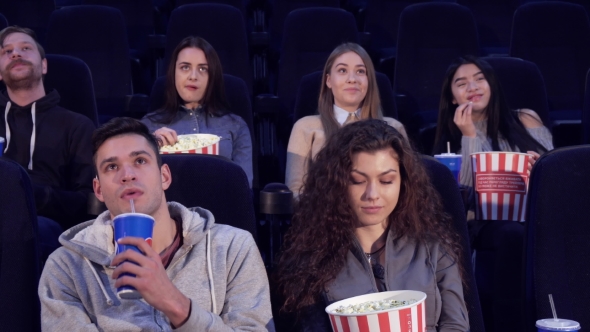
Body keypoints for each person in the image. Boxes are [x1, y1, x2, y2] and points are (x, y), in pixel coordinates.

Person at [38, 118, 274, 331]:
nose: (127, 175)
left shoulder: (233, 247)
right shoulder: (66, 267)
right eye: (112, 167)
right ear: (98, 190)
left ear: (164, 177)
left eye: (140, 160)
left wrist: (175, 303)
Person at [275, 119, 469, 331]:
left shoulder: (434, 246)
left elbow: (455, 325)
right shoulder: (313, 257)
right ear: (337, 185)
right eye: (357, 181)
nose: (372, 195)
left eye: (386, 181)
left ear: (403, 183)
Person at [0, 26, 95, 258]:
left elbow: (88, 201)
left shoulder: (76, 125)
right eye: (6, 51)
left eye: (25, 48)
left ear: (43, 66)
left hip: (46, 224)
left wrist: (37, 196)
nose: (15, 54)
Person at [286, 43, 408, 196]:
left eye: (360, 71)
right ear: (329, 81)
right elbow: (296, 191)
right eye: (342, 70)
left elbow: (407, 187)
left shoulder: (394, 128)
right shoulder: (305, 127)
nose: (352, 79)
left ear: (369, 81)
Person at [141, 36, 253, 187]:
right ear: (174, 73)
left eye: (203, 69)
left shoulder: (236, 125)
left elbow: (244, 188)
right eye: (185, 67)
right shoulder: (148, 126)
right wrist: (149, 144)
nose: (193, 76)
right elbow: (138, 184)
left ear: (212, 76)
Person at [433, 55, 553, 187]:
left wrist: (541, 169)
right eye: (462, 84)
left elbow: (556, 176)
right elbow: (466, 194)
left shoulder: (525, 119)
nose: (472, 87)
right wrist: (469, 136)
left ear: (491, 85)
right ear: (453, 98)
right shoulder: (449, 145)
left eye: (480, 79)